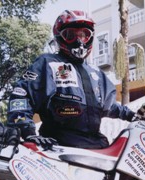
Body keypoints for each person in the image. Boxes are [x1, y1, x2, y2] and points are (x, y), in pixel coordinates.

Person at [7, 10, 135, 149]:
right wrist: (27, 132)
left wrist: (134, 115)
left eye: (84, 35)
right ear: (59, 36)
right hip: (57, 147)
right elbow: (22, 96)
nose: (79, 41)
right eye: (70, 35)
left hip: (97, 147)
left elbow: (109, 106)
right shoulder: (47, 63)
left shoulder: (96, 72)